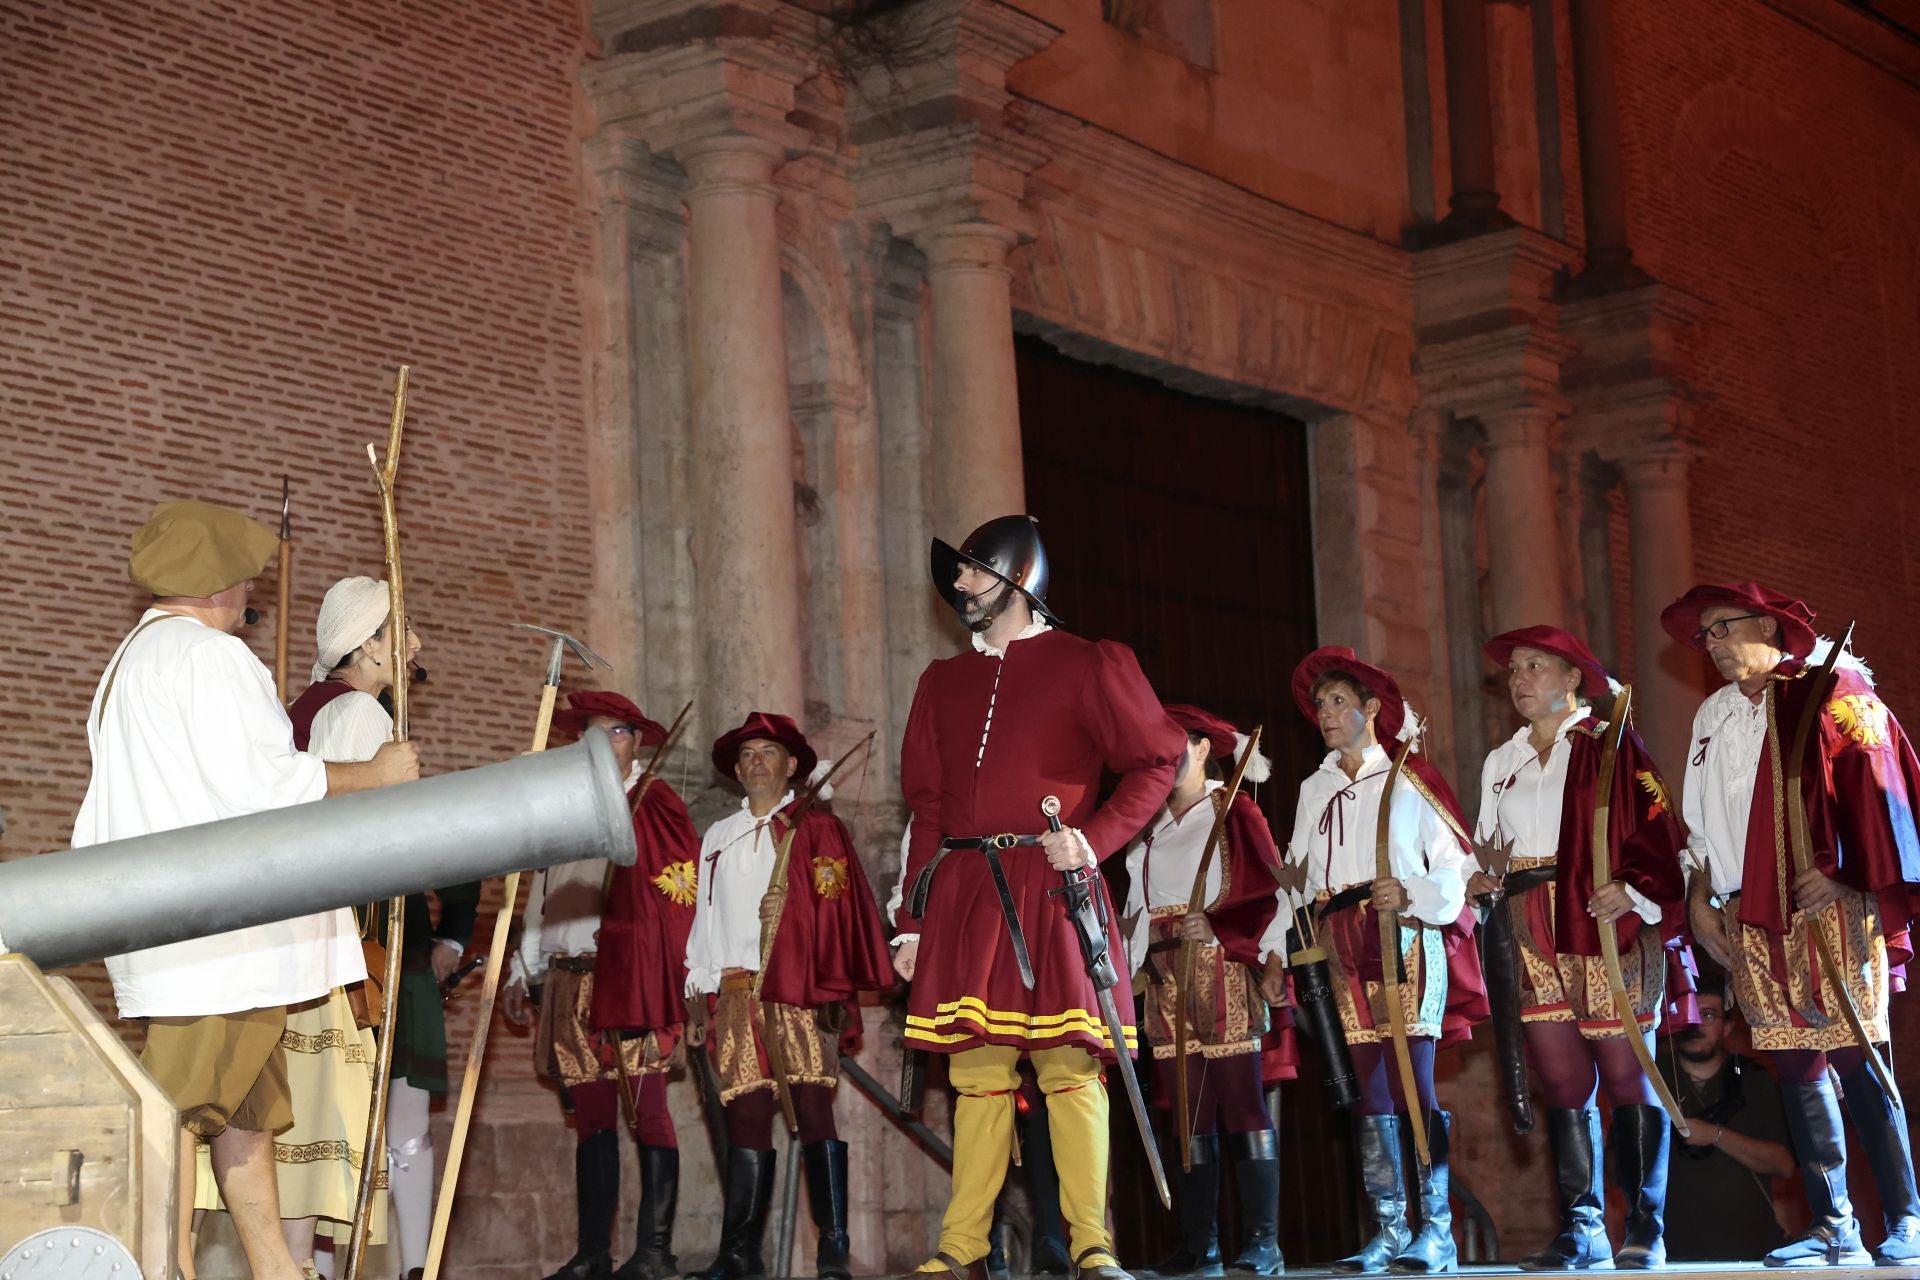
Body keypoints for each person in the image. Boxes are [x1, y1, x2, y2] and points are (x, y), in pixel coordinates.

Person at [74, 501, 418, 1280]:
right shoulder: (209, 657)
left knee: (244, 1120)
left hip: (190, 931)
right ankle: (163, 1269)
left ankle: (274, 1270)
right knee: (175, 1114)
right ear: (216, 584)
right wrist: (377, 774)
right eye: (243, 578)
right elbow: (266, 786)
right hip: (220, 939)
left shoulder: (136, 658)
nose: (249, 592)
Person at [895, 514, 1185, 1280]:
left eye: (974, 570)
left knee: (1069, 1067)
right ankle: (962, 1246)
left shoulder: (1087, 663)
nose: (960, 584)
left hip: (1054, 886)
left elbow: (1158, 760)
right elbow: (927, 810)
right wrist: (912, 922)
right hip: (966, 892)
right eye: (958, 572)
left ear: (1018, 578)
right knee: (976, 1075)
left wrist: (1093, 839)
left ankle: (1092, 1242)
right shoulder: (941, 682)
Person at [1664, 581, 1920, 1267]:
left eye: (1723, 627)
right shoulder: (1713, 714)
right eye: (1705, 635)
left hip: (1825, 902)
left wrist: (1847, 874)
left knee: (1857, 1054)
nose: (1711, 644)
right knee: (1796, 1063)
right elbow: (1700, 823)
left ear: (1770, 627)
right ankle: (1834, 1224)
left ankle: (1907, 1218)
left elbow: (1882, 791)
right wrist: (1699, 898)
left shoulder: (1834, 691)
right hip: (1745, 910)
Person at [1466, 626, 1690, 1271]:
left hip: (1597, 917)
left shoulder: (1610, 743)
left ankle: (1645, 1225)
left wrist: (1633, 888)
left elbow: (1660, 829)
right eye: (1514, 669)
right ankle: (1583, 1227)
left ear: (1573, 680)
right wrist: (1478, 879)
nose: (1519, 679)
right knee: (1562, 1079)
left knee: (1625, 1072)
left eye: (1535, 666)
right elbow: (1487, 845)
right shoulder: (1500, 761)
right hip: (1527, 922)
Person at [1257, 647, 1484, 1277]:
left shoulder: (1410, 776)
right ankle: (1388, 1230)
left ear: (1372, 709)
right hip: (1338, 946)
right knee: (1367, 1091)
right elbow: (1298, 880)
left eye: (1338, 702)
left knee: (1413, 1082)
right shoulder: (1314, 789)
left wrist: (1410, 893)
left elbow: (1455, 865)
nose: (1325, 714)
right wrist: (1276, 951)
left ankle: (1437, 1232)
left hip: (1402, 936)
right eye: (1319, 705)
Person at [285, 575, 475, 1280]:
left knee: (317, 1129)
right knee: (350, 1129)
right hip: (360, 949)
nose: (416, 644)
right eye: (403, 631)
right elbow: (381, 843)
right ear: (367, 645)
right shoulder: (363, 715)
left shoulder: (306, 708)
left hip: (307, 945)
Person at [682, 711, 892, 1280]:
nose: (757, 763)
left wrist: (793, 904)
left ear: (792, 765)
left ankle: (833, 1247)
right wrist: (697, 991)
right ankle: (740, 1253)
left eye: (768, 753)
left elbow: (837, 907)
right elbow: (704, 917)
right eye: (747, 754)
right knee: (746, 1116)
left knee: (814, 1111)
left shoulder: (815, 829)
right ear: (736, 769)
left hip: (797, 991)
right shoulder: (717, 836)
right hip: (734, 992)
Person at [503, 692, 700, 1280]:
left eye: (615, 732)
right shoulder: (567, 805)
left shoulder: (654, 801)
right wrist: (524, 966)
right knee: (592, 1122)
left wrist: (676, 972)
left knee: (649, 1113)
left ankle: (655, 1252)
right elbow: (544, 889)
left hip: (629, 978)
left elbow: (677, 893)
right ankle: (593, 1255)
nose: (603, 742)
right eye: (592, 732)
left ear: (636, 741)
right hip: (568, 979)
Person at [1123, 704, 1288, 1278]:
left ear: (1200, 748)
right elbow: (1135, 907)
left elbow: (1274, 891)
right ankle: (1200, 1246)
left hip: (1220, 967)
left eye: (1170, 742)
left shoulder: (1233, 808)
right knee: (1185, 1112)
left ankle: (1264, 1243)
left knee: (1241, 1103)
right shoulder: (1145, 822)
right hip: (1163, 976)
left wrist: (1222, 929)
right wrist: (1131, 961)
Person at [1655, 969, 1796, 1262]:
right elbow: (1619, 1166)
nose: (1694, 1024)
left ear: (1728, 1027)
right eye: (1686, 1014)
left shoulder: (1752, 1078)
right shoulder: (1654, 1077)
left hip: (1747, 1248)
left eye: (1707, 1015)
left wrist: (1715, 1135)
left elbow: (1783, 1164)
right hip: (1670, 1252)